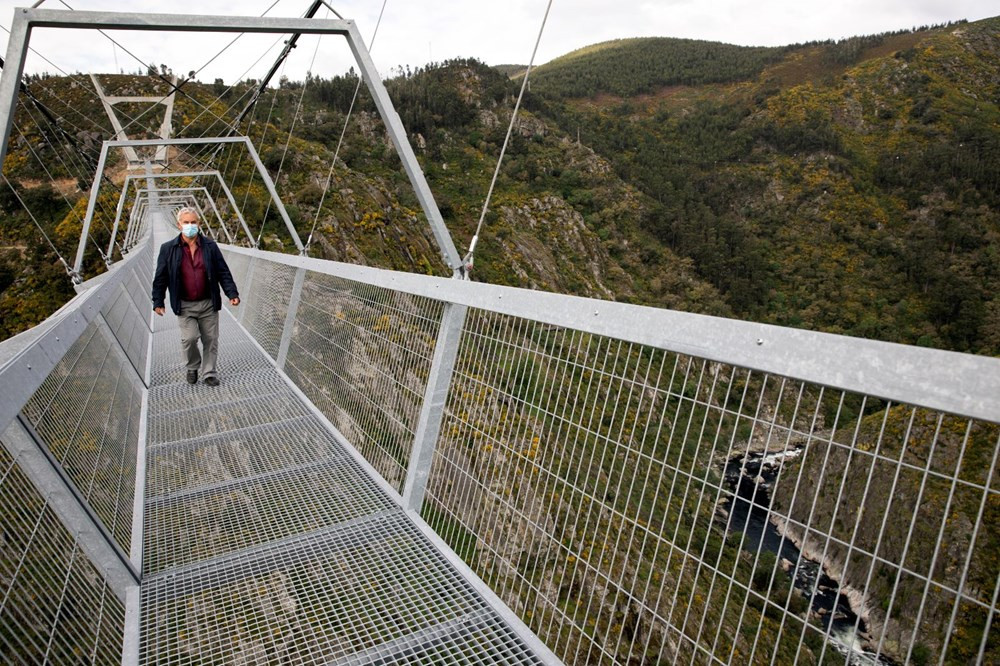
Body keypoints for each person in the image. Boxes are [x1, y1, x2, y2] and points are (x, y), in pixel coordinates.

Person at [152, 207, 240, 386]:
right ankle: (192, 366)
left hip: (208, 302)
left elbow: (223, 271)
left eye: (193, 222)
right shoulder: (168, 249)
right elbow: (161, 277)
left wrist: (232, 293)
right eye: (186, 222)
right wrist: (158, 301)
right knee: (189, 338)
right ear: (179, 225)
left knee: (211, 339)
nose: (190, 225)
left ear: (199, 224)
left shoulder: (210, 246)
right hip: (184, 305)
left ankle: (209, 373)